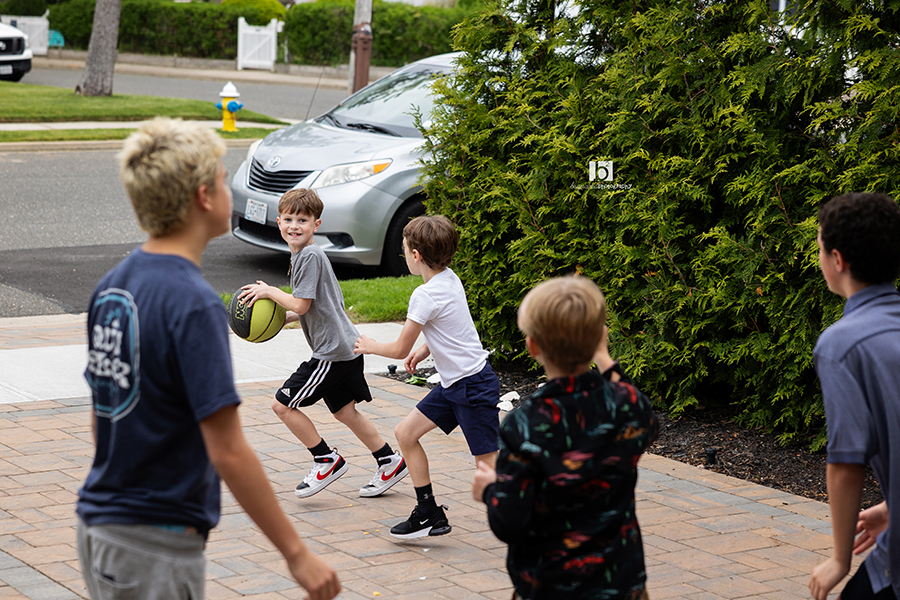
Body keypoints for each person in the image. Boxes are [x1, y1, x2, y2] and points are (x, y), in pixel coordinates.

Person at [77, 118, 340, 600]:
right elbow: (228, 448)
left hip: (101, 521)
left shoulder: (112, 286)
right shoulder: (193, 302)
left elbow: (104, 412)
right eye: (223, 179)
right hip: (156, 539)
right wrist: (296, 554)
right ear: (203, 197)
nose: (229, 189)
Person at [472, 276, 657, 600]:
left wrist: (489, 490)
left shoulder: (523, 425)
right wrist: (603, 356)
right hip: (621, 585)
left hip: (551, 588)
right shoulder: (625, 405)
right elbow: (643, 414)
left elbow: (510, 523)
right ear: (600, 337)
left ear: (532, 347)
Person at [238, 188, 407, 499]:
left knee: (282, 404)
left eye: (302, 220)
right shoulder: (304, 255)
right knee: (345, 412)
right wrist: (283, 318)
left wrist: (270, 292)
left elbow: (302, 304)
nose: (294, 226)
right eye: (289, 219)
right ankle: (390, 462)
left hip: (332, 353)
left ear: (316, 225)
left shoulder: (309, 256)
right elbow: (317, 305)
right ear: (278, 222)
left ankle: (326, 459)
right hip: (346, 346)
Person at [354, 215, 501, 539]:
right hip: (455, 384)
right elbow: (450, 327)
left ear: (416, 255)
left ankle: (532, 521)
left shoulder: (425, 294)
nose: (404, 254)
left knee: (488, 468)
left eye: (405, 248)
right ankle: (428, 513)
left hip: (472, 387)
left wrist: (370, 346)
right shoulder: (449, 278)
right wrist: (424, 350)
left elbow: (398, 349)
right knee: (405, 433)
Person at [809, 192, 900, 600]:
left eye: (820, 250)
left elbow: (846, 462)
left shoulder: (842, 345)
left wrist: (839, 559)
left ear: (838, 260)